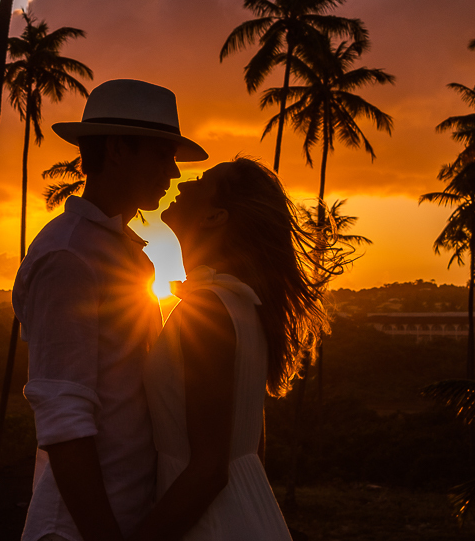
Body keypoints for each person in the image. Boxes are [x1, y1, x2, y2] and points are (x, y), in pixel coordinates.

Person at [13, 79, 208, 541]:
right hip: (79, 528)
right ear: (119, 149)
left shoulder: (120, 253)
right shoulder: (71, 256)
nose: (174, 173)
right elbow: (64, 416)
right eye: (163, 155)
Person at [129, 157, 331, 541]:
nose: (184, 182)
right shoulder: (242, 305)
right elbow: (251, 446)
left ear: (214, 217)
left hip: (210, 523)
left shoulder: (209, 310)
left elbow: (209, 471)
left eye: (202, 181)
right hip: (244, 510)